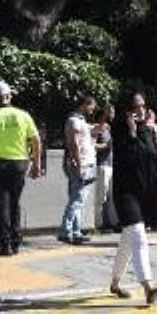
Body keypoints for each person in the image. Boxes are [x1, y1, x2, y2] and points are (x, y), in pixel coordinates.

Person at [0, 80, 43, 257]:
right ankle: (15, 242)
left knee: (0, 205)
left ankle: (5, 245)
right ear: (9, 96)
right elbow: (36, 140)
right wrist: (36, 164)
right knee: (14, 202)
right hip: (20, 164)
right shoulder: (23, 115)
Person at [108, 90, 157, 304]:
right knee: (138, 236)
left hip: (144, 193)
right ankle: (148, 287)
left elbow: (153, 162)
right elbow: (130, 156)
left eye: (143, 106)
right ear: (127, 111)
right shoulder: (120, 130)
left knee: (128, 241)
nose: (140, 110)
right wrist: (131, 132)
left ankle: (115, 284)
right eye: (135, 107)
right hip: (125, 192)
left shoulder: (148, 131)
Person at [57, 95, 97, 245]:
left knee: (77, 199)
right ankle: (65, 231)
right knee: (77, 199)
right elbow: (73, 145)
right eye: (91, 105)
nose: (92, 109)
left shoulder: (80, 121)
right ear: (83, 105)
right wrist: (79, 165)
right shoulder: (74, 121)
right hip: (81, 164)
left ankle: (75, 231)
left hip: (85, 163)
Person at [91, 103, 118, 235]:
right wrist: (106, 145)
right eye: (110, 111)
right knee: (101, 196)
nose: (113, 114)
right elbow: (91, 145)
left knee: (112, 195)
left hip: (111, 164)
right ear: (104, 113)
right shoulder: (98, 128)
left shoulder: (109, 127)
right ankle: (97, 224)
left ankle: (114, 223)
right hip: (101, 164)